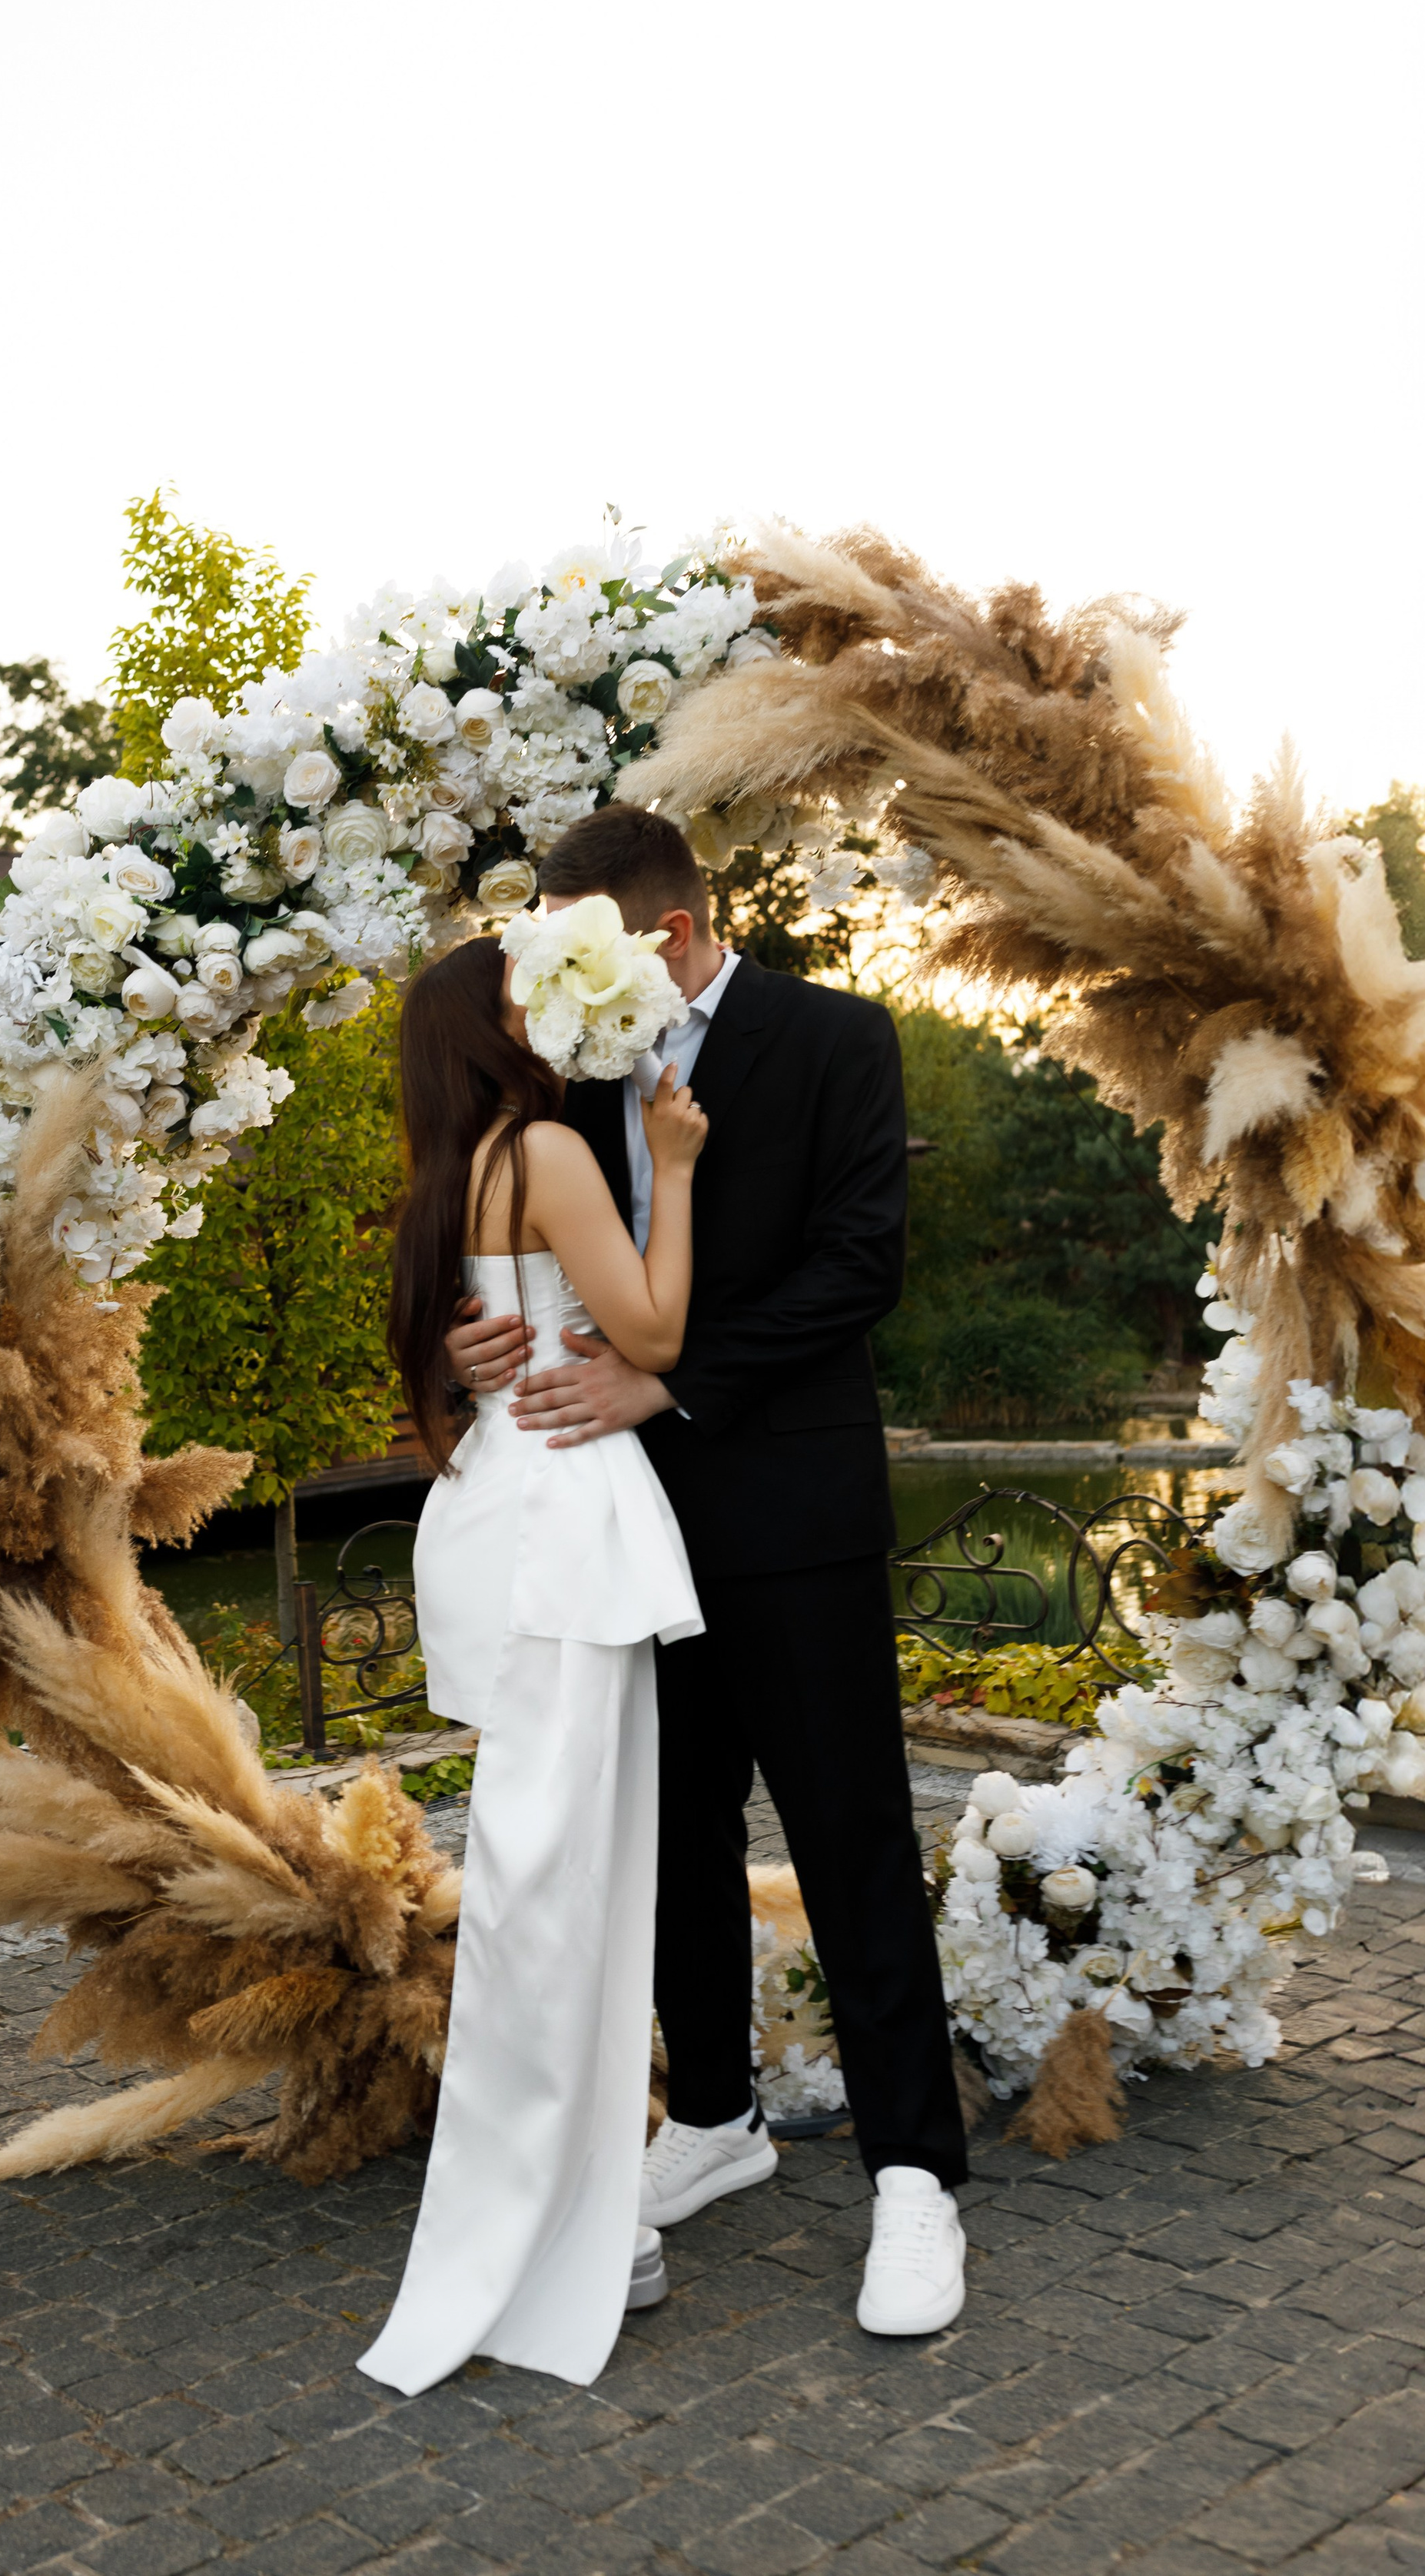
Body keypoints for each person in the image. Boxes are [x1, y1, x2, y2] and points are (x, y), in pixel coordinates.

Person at [446, 803, 968, 2338]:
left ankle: (913, 2176)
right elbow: (525, 1259)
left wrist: (664, 1383)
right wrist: (484, 1340)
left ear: (659, 934)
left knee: (846, 1835)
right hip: (619, 1528)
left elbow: (852, 1265)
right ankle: (716, 2118)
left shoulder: (832, 1039)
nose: (536, 968)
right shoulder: (562, 1076)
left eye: (561, 935)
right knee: (669, 1842)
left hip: (790, 1519)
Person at [358, 931, 710, 2396]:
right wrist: (676, 1168)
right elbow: (656, 1328)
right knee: (556, 1895)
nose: (553, 1006)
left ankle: (592, 2199)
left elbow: (453, 1361)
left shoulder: (447, 1178)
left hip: (500, 1518)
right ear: (491, 1031)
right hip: (565, 1534)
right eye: (529, 993)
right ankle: (553, 2215)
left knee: (542, 1880)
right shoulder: (548, 1151)